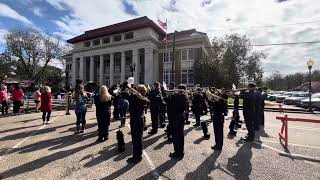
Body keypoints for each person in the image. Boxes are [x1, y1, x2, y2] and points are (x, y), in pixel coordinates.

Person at [126, 84, 150, 163]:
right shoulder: (139, 98)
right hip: (137, 119)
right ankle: (137, 156)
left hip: (137, 120)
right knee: (137, 139)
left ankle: (136, 157)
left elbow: (146, 101)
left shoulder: (140, 99)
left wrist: (135, 94)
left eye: (137, 89)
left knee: (137, 139)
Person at [169, 84, 189, 160]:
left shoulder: (180, 97)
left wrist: (173, 95)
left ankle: (177, 153)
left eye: (177, 89)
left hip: (177, 118)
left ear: (180, 90)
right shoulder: (183, 97)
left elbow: (172, 105)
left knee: (176, 135)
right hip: (180, 118)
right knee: (179, 135)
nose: (176, 90)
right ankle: (179, 151)